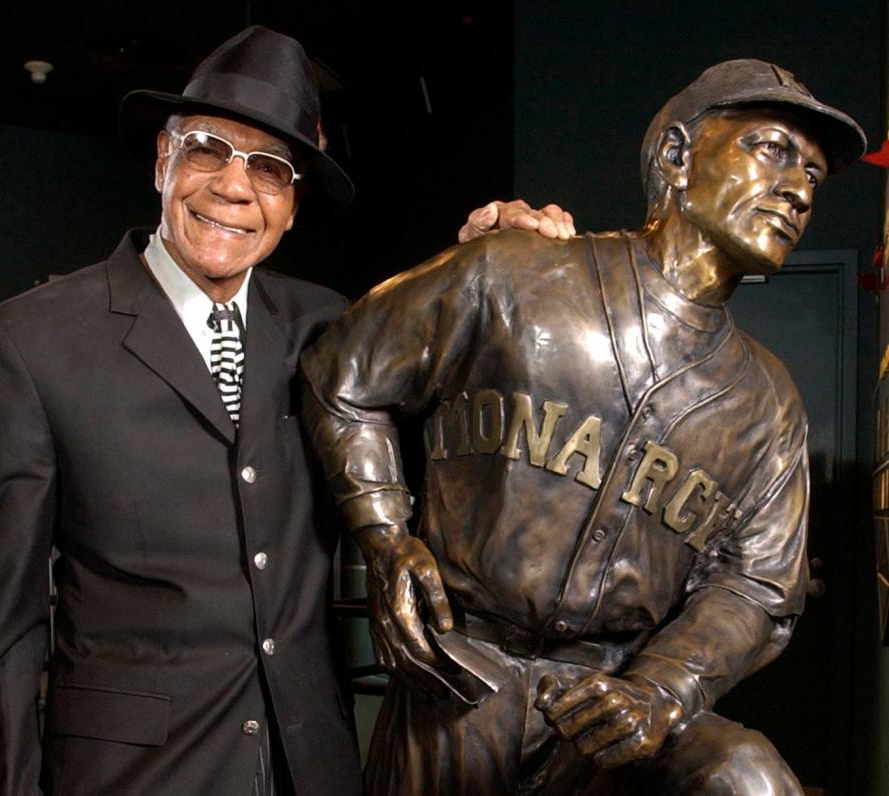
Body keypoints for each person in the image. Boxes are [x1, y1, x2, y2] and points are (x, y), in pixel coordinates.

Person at [0, 25, 570, 796]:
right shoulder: (30, 340)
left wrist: (489, 267)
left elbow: (461, 417)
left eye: (270, 169)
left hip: (311, 769)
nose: (235, 188)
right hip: (131, 776)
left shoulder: (329, 326)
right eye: (207, 148)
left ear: (291, 203)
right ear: (162, 161)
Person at [301, 59, 866, 794]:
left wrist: (661, 687)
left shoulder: (767, 400)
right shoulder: (515, 272)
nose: (797, 189)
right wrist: (384, 537)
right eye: (771, 149)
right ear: (676, 155)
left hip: (611, 704)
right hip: (461, 677)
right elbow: (342, 376)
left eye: (815, 178)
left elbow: (758, 585)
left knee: (745, 776)